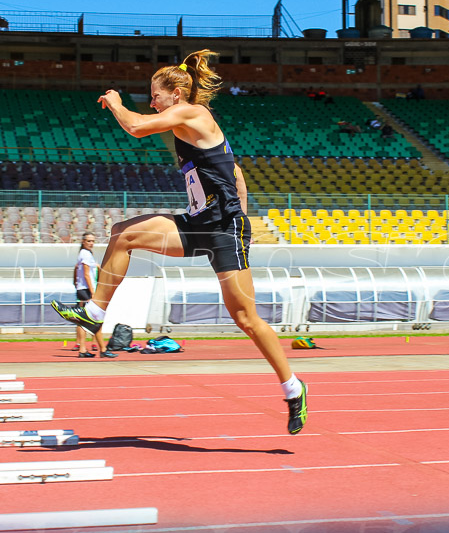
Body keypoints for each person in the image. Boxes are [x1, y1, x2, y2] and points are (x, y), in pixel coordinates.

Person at [50, 49, 308, 434]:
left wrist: (117, 103)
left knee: (245, 319)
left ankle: (292, 388)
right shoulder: (185, 126)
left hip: (224, 230)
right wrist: (232, 202)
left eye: (155, 96)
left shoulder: (194, 114)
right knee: (124, 233)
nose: (152, 102)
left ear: (175, 94)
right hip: (197, 223)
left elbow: (137, 127)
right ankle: (96, 313)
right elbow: (235, 171)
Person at [72, 232, 115, 358]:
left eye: (92, 241)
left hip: (83, 289)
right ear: (83, 241)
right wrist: (93, 292)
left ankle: (85, 349)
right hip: (86, 290)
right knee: (95, 318)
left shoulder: (86, 254)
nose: (91, 243)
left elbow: (77, 270)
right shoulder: (85, 254)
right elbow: (86, 274)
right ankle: (101, 349)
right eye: (89, 241)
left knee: (84, 320)